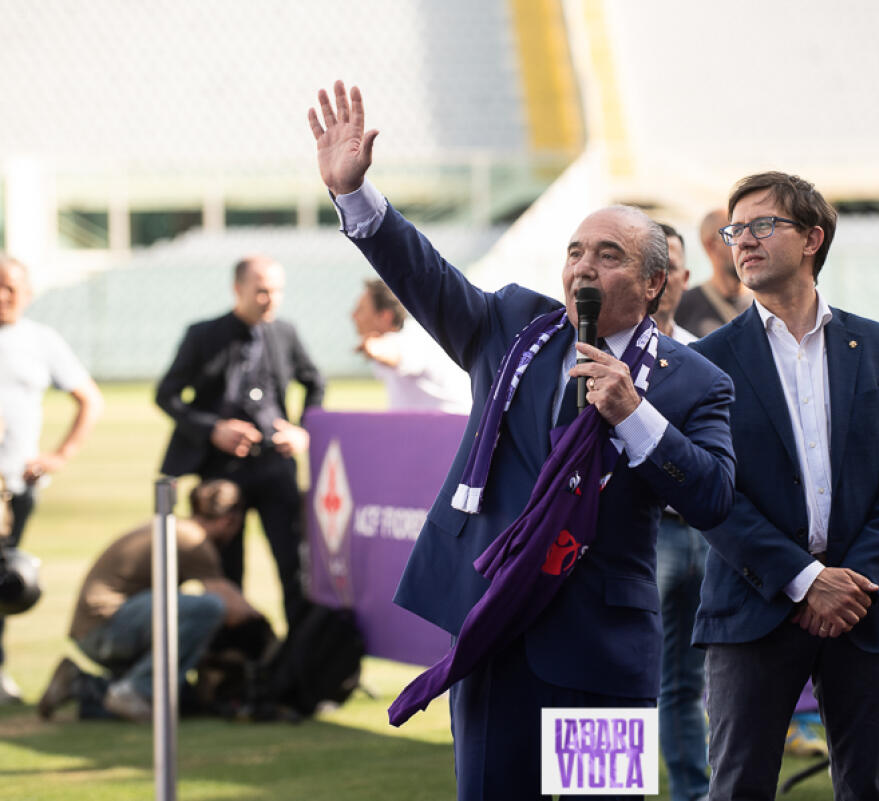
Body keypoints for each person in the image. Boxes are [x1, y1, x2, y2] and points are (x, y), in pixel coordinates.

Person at [308, 81, 735, 800]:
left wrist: (635, 415)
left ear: (656, 281)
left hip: (602, 650)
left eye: (609, 255)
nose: (584, 267)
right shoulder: (512, 325)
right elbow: (427, 277)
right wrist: (356, 196)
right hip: (495, 630)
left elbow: (715, 496)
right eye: (575, 252)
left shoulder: (695, 380)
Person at [691, 172, 879, 801]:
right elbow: (710, 494)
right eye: (735, 229)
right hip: (752, 606)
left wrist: (850, 580)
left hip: (864, 604)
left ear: (813, 238)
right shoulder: (706, 359)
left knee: (871, 788)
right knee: (738, 787)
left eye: (763, 225)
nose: (742, 240)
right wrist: (805, 579)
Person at [155, 254, 324, 632]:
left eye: (277, 291)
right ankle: (233, 665)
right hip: (220, 474)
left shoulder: (286, 332)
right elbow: (166, 395)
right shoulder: (202, 335)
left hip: (275, 466)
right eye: (262, 291)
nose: (272, 299)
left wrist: (302, 429)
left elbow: (315, 382)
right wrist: (212, 428)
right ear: (238, 289)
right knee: (225, 572)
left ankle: (299, 668)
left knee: (294, 567)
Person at [36, 479, 261, 722]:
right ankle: (136, 691)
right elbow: (233, 609)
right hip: (108, 630)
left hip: (96, 631)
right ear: (229, 520)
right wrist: (274, 644)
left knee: (185, 697)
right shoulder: (193, 541)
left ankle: (79, 683)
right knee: (208, 608)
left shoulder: (176, 527)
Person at [0, 255, 103, 703]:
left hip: (14, 487)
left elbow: (89, 400)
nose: (4, 296)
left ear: (28, 292)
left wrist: (60, 455)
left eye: (11, 287)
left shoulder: (40, 341)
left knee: (6, 580)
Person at [649, 223, 710, 801]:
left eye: (669, 264)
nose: (661, 277)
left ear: (683, 280)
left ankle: (695, 792)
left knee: (687, 682)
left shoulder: (702, 357)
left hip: (705, 535)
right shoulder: (582, 351)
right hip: (632, 538)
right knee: (611, 670)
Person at [351, 278, 471, 412]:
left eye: (361, 309)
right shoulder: (410, 334)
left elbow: (395, 353)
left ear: (385, 316)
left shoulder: (411, 338)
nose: (353, 316)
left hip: (447, 427)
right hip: (428, 427)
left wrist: (374, 347)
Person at [674, 209, 752, 336]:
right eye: (735, 233)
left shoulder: (765, 302)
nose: (745, 242)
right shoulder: (683, 306)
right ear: (711, 245)